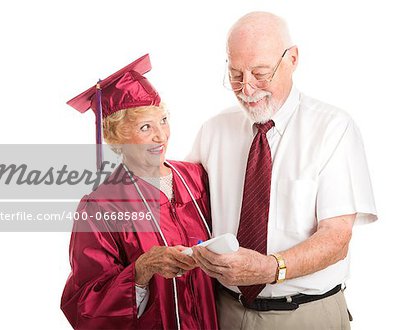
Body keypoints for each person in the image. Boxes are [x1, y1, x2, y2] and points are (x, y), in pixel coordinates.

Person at [188, 12, 377, 330]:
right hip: (224, 313)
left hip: (306, 316)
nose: (247, 88)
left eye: (260, 73)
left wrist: (270, 268)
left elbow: (336, 238)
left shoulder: (333, 128)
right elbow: (180, 206)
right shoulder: (213, 131)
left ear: (292, 59)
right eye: (235, 74)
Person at [61, 54, 218, 330]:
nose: (161, 135)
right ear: (117, 137)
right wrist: (141, 270)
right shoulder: (101, 207)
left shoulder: (194, 177)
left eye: (163, 120)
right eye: (146, 127)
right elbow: (85, 306)